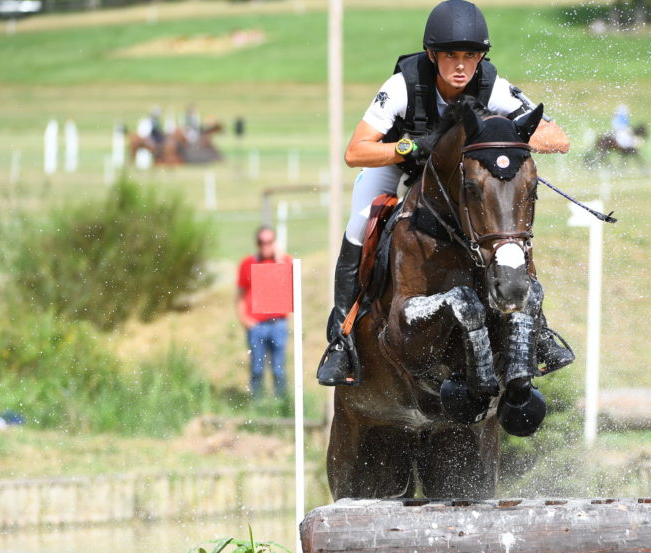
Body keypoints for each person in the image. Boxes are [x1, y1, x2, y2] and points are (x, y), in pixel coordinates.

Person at [316, 0, 574, 386]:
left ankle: (538, 332)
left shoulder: (492, 85)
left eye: (470, 56)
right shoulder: (403, 85)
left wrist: (505, 138)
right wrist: (406, 148)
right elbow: (355, 152)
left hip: (457, 181)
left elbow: (558, 138)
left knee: (506, 228)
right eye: (451, 55)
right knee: (358, 226)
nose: (460, 66)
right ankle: (342, 340)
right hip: (399, 166)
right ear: (433, 55)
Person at [237, 227, 292, 399]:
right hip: (256, 325)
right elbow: (240, 294)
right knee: (257, 369)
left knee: (278, 369)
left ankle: (282, 404)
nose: (265, 246)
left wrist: (279, 260)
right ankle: (257, 405)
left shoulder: (284, 261)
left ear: (274, 242)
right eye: (262, 242)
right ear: (257, 243)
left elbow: (290, 285)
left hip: (278, 324)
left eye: (269, 242)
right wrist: (244, 318)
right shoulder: (248, 263)